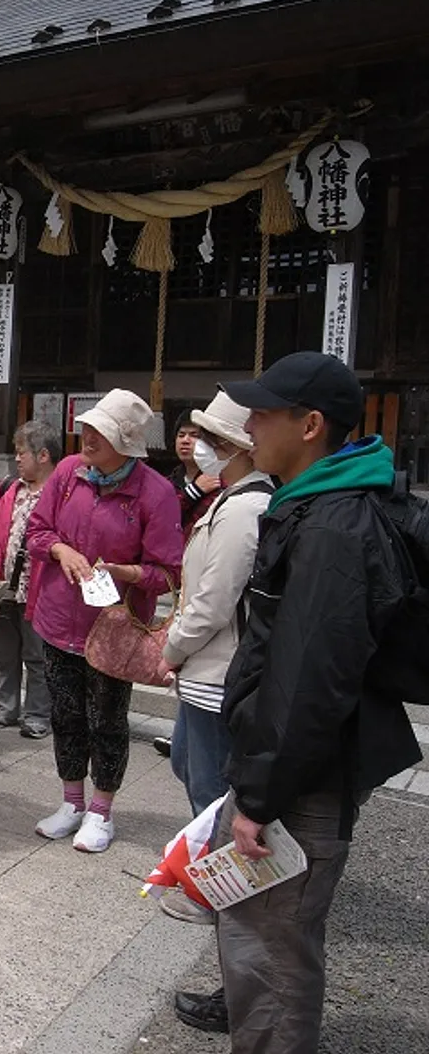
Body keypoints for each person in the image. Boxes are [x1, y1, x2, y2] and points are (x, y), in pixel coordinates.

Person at [172, 352, 421, 1051]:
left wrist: (259, 795)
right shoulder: (311, 505)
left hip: (303, 777)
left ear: (311, 426)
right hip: (292, 765)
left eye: (264, 413)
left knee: (275, 949)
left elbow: (308, 681)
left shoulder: (335, 528)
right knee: (261, 937)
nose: (248, 424)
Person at [26, 389, 183, 854]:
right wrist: (62, 550)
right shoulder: (68, 473)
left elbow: (169, 571)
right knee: (65, 715)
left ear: (127, 442)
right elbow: (38, 529)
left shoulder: (155, 492)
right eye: (88, 427)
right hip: (59, 618)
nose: (87, 436)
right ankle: (71, 802)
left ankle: (101, 810)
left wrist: (124, 572)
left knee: (108, 720)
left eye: (101, 431)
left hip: (113, 628)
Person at [154, 393, 275, 925]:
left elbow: (211, 604)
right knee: (188, 762)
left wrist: (172, 647)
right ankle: (218, 879)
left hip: (216, 667)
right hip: (207, 666)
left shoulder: (244, 510)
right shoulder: (229, 501)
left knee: (210, 786)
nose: (202, 448)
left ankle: (220, 893)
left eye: (216, 442)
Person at [0, 419, 60, 740]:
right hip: (4, 586)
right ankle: (5, 707)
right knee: (5, 652)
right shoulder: (9, 487)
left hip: (41, 590)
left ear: (44, 456)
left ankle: (38, 714)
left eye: (22, 453)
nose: (18, 459)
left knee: (37, 656)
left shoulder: (61, 493)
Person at [169, 409, 221, 543]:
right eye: (181, 435)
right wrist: (193, 492)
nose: (185, 440)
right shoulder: (167, 483)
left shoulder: (218, 480)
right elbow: (160, 517)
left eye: (194, 435)